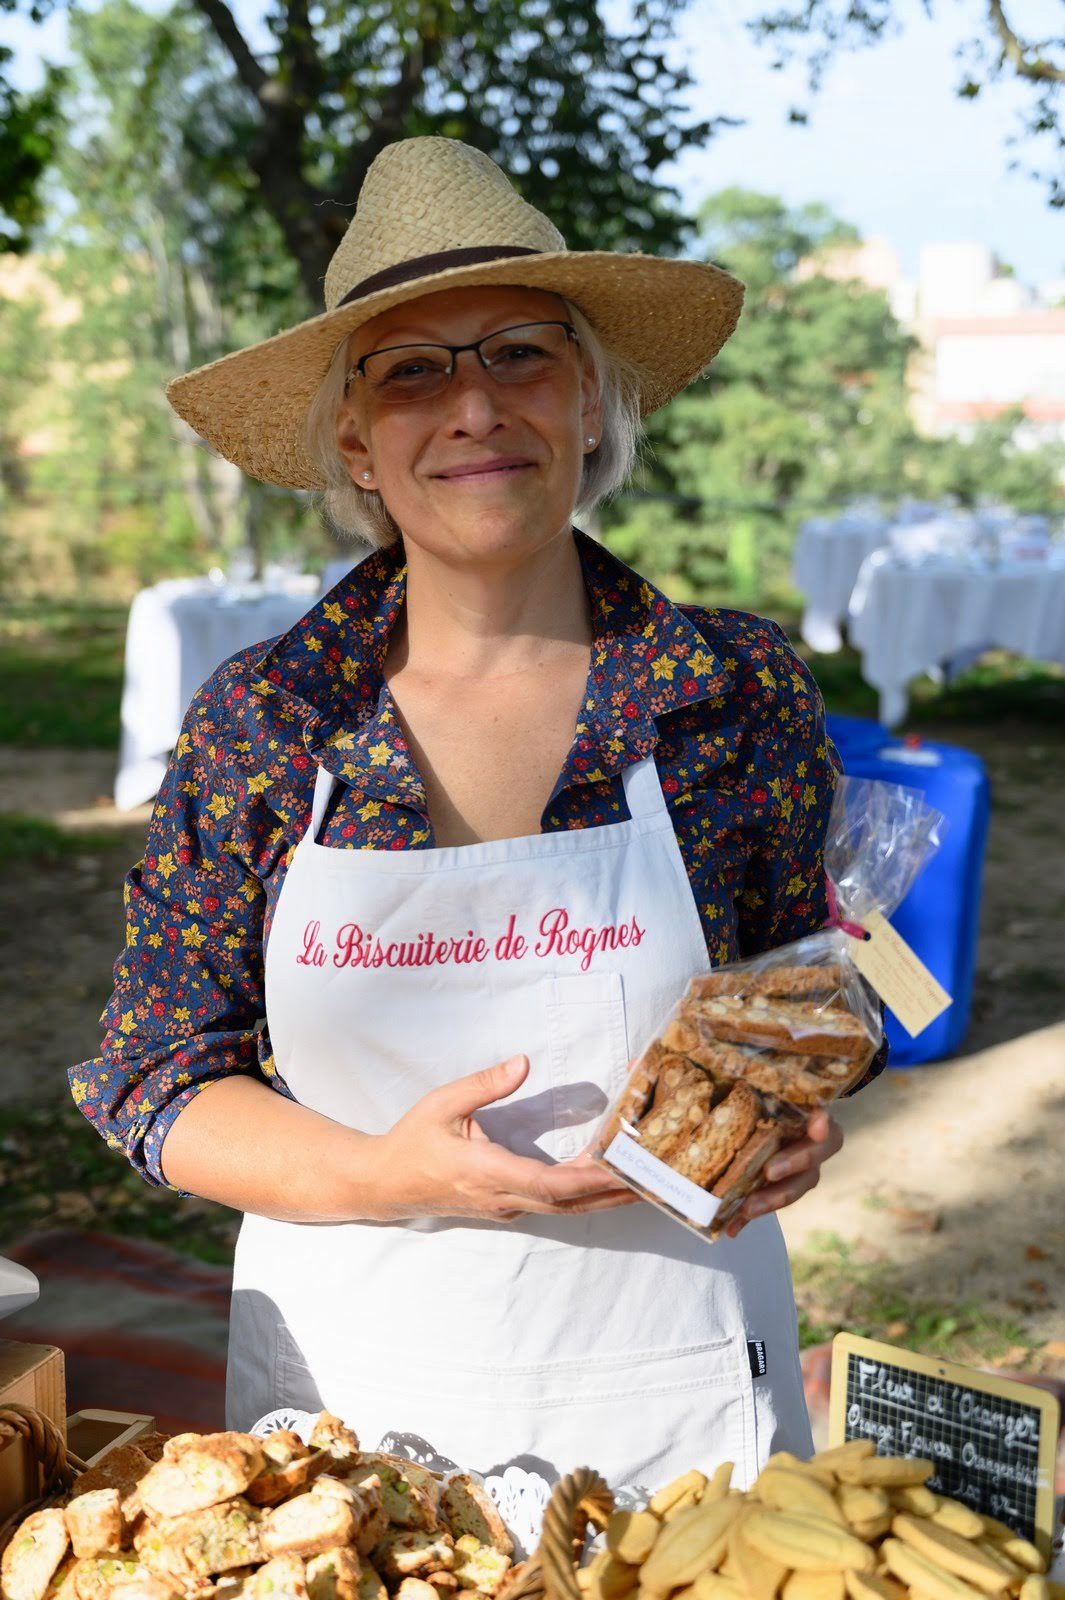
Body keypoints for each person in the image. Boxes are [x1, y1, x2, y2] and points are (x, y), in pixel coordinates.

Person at [71, 135, 885, 1542]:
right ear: (353, 439)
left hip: (677, 1398)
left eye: (519, 353)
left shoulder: (731, 695)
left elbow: (804, 988)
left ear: (587, 400)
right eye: (412, 369)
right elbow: (153, 1078)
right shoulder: (270, 721)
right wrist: (391, 1173)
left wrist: (804, 1110)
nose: (473, 407)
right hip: (347, 1425)